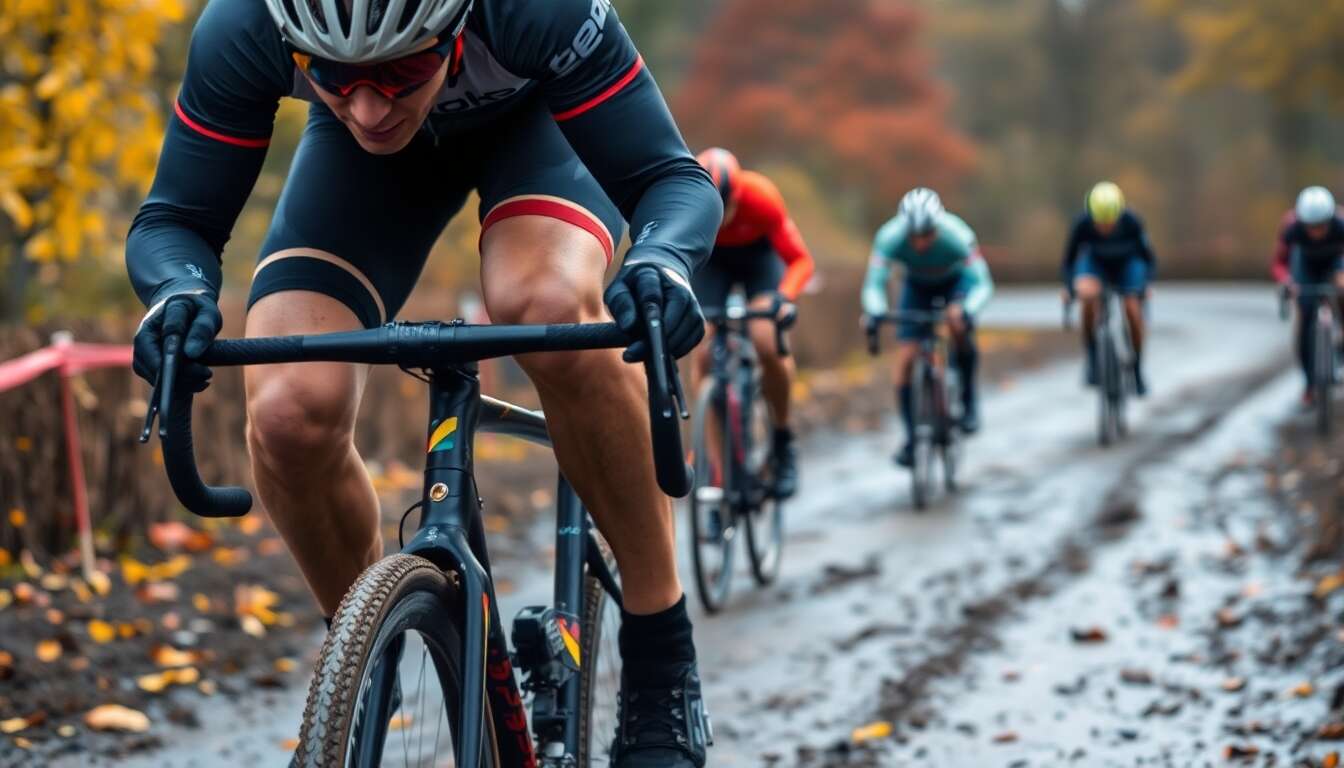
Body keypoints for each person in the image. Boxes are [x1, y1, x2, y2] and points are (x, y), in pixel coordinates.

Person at [125, 0, 720, 764]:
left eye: (401, 74)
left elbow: (671, 180)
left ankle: (660, 647)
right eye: (334, 78)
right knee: (286, 411)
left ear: (455, 29)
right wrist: (177, 294)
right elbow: (174, 219)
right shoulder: (248, 26)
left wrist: (660, 262)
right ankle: (368, 662)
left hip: (541, 130)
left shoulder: (534, 12)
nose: (370, 108)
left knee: (544, 308)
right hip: (364, 180)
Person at [690, 148, 815, 499]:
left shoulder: (762, 198)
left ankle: (782, 437)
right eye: (717, 209)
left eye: (729, 206)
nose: (724, 217)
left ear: (739, 194)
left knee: (766, 339)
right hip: (713, 263)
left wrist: (785, 298)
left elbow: (800, 260)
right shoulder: (689, 202)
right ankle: (717, 469)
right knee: (701, 352)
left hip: (759, 261)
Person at [862, 188, 994, 468]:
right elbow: (874, 284)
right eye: (914, 236)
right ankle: (911, 439)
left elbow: (983, 283)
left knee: (957, 324)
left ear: (938, 226)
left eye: (928, 235)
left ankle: (968, 402)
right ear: (904, 229)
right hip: (916, 286)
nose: (921, 243)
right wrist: (874, 312)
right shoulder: (890, 237)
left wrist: (969, 310)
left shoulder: (957, 235)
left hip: (956, 283)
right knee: (906, 357)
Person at [1061, 181, 1156, 396]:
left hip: (1128, 264)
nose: (1105, 228)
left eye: (1110, 223)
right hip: (1098, 265)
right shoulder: (1082, 224)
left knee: (1132, 306)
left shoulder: (1132, 222)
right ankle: (1093, 359)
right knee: (1087, 298)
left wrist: (1146, 284)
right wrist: (1069, 287)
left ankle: (1138, 369)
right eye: (1100, 223)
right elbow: (1069, 260)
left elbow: (1148, 257)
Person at [1272, 185, 1344, 405]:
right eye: (1311, 226)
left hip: (1335, 266)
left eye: (1321, 225)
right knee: (1305, 322)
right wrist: (1287, 281)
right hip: (1305, 271)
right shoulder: (1291, 229)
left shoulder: (1341, 225)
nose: (1316, 232)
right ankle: (1310, 384)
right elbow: (1279, 263)